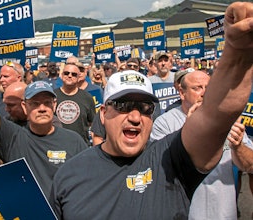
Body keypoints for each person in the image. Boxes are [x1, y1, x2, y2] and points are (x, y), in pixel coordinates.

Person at [49, 2, 253, 218]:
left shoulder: (170, 159)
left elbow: (215, 118)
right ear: (103, 113)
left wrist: (238, 54)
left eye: (145, 108)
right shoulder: (70, 174)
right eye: (123, 106)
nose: (136, 117)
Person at [0, 31, 88, 199]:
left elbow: (86, 184)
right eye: (35, 103)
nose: (42, 108)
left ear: (54, 105)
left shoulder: (74, 141)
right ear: (24, 107)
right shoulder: (13, 136)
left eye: (47, 103)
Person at [150, 70, 253, 219]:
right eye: (197, 88)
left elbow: (250, 166)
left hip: (224, 214)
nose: (205, 93)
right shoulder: (164, 123)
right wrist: (188, 132)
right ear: (181, 92)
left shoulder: (228, 120)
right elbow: (158, 169)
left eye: (209, 88)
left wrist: (238, 147)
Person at [54, 62, 96, 145]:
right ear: (62, 76)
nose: (69, 76)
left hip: (80, 146)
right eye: (66, 73)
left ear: (78, 77)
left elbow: (93, 124)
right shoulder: (53, 96)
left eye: (74, 74)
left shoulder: (87, 97)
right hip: (57, 145)